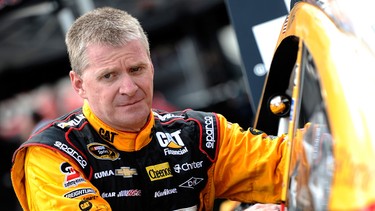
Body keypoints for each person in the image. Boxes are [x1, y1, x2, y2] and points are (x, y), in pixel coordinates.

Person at [10, 7, 287, 211]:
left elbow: (290, 163)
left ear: (151, 67)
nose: (129, 87)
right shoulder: (52, 153)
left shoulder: (202, 135)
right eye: (109, 76)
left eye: (136, 69)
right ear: (79, 84)